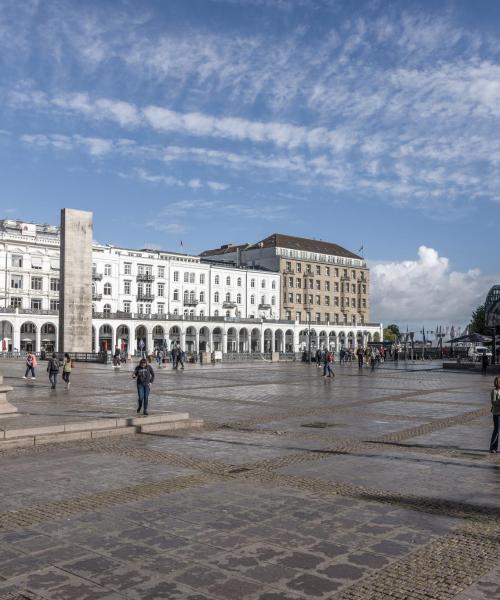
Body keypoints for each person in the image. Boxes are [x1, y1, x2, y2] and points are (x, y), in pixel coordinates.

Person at [489, 377, 500, 453]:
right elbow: (493, 403)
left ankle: (495, 448)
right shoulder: (494, 391)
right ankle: (493, 447)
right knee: (496, 430)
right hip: (496, 413)